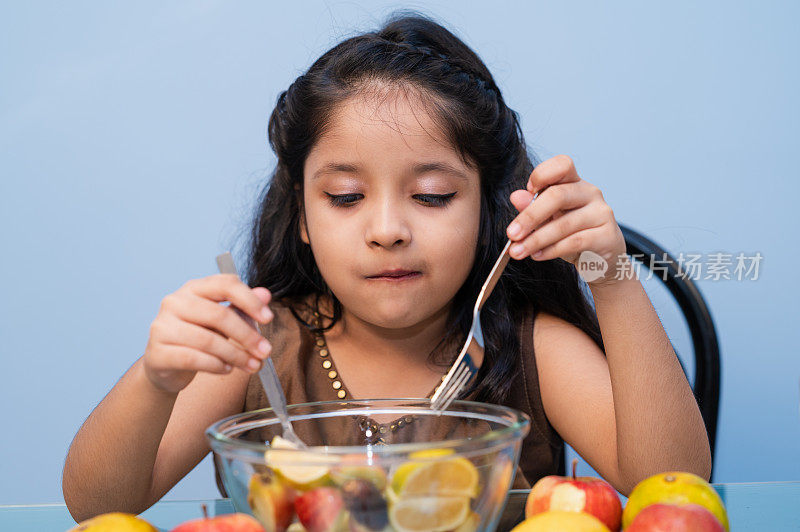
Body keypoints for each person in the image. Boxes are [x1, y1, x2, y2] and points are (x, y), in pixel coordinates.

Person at [62, 12, 711, 521]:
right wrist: (156, 378)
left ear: (488, 208)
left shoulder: (531, 346)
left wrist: (613, 277)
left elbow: (672, 484)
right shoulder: (259, 347)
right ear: (304, 215)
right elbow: (96, 506)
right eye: (345, 198)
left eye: (431, 196)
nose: (388, 231)